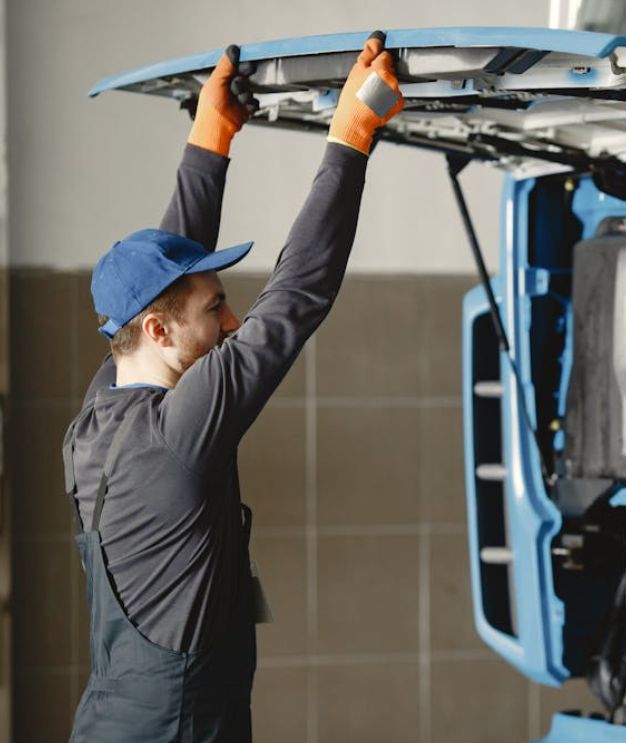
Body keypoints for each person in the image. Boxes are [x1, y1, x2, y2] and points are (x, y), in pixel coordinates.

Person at [60, 32, 403, 741]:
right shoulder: (177, 433)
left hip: (111, 720)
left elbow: (165, 271)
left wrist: (209, 139)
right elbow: (296, 297)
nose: (232, 319)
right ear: (156, 332)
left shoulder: (101, 408)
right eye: (216, 310)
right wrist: (350, 139)